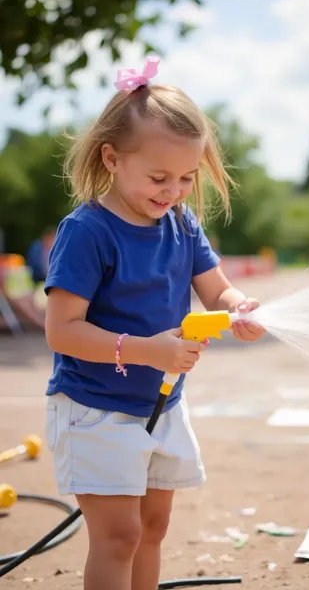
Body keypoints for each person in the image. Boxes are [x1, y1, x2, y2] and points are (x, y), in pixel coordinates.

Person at [44, 56, 265, 590]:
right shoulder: (87, 232)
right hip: (94, 408)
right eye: (160, 177)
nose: (174, 191)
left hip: (163, 403)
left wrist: (238, 305)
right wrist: (147, 350)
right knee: (118, 536)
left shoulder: (182, 223)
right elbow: (62, 330)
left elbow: (215, 286)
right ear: (112, 158)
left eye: (188, 177)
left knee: (152, 526)